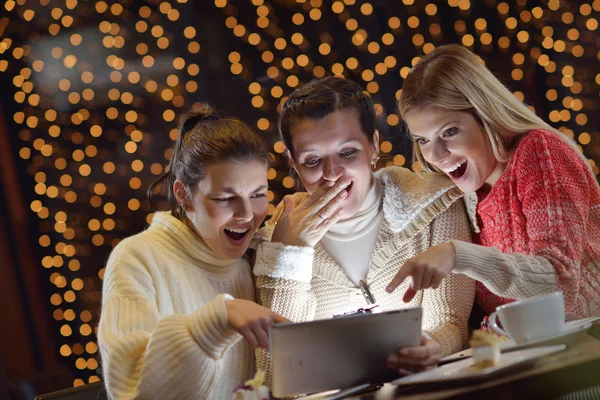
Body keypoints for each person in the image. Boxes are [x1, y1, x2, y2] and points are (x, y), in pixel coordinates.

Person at [252, 77, 476, 379]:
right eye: (313, 160)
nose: (332, 174)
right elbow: (277, 375)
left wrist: (432, 346)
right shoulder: (272, 241)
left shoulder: (435, 203)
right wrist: (290, 257)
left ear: (373, 146)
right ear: (293, 162)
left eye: (347, 153)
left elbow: (450, 320)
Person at [387, 44, 600, 321]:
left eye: (449, 131)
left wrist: (459, 255)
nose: (436, 155)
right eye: (423, 140)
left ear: (485, 116)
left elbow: (559, 284)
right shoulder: (460, 192)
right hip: (526, 354)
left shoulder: (540, 152)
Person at [98, 105, 289, 399]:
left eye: (258, 195)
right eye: (226, 198)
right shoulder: (137, 259)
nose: (248, 215)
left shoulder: (255, 258)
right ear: (184, 196)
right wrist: (216, 320)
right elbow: (132, 389)